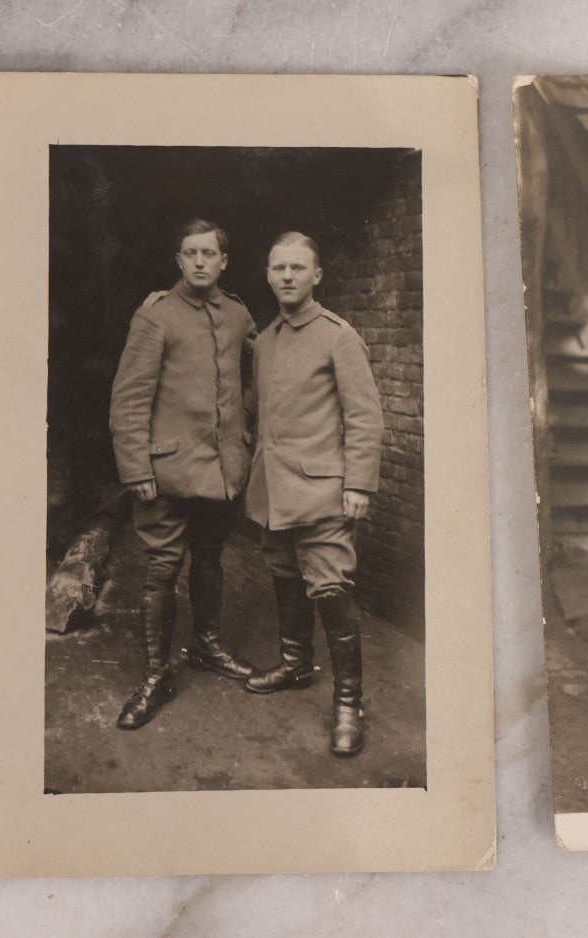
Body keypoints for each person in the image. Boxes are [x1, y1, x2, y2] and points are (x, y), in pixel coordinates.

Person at [105, 219, 260, 730]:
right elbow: (129, 399)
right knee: (162, 568)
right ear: (178, 260)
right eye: (190, 253)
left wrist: (244, 425)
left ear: (223, 261)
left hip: (222, 471)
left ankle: (207, 646)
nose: (198, 261)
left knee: (210, 557)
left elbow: (261, 366)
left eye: (208, 253)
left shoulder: (238, 314)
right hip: (167, 472)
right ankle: (156, 675)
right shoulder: (156, 316)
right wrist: (136, 467)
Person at [240, 232, 384, 757]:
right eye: (278, 267)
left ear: (316, 275)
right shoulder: (266, 341)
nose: (287, 276)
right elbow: (259, 411)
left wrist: (359, 483)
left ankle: (348, 705)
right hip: (274, 491)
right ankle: (296, 665)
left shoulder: (337, 336)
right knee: (284, 574)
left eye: (298, 267)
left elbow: (364, 415)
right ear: (268, 274)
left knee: (330, 587)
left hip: (322, 492)